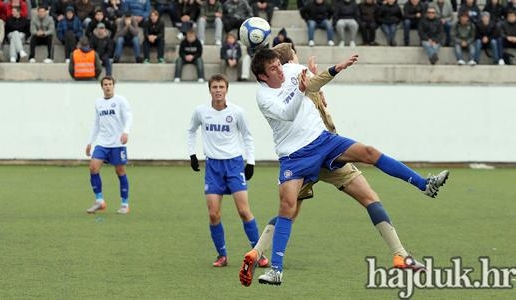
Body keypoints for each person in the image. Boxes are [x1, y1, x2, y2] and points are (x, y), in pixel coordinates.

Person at [248, 47, 449, 285]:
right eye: (273, 68)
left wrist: (336, 69)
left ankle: (422, 188)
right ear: (262, 76)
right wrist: (301, 91)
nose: (280, 70)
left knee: (369, 157)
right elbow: (288, 113)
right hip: (295, 156)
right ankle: (274, 269)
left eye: (279, 64)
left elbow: (315, 83)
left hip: (324, 142)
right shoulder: (264, 97)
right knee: (287, 207)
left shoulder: (293, 69)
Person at [187, 73, 266, 268]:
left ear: (227, 89)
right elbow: (191, 131)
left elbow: (247, 136)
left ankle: (259, 254)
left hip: (234, 165)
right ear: (209, 90)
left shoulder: (237, 112)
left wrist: (251, 162)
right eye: (214, 87)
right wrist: (192, 154)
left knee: (244, 211)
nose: (218, 91)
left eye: (221, 87)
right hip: (213, 167)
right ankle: (222, 255)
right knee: (214, 214)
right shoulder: (201, 112)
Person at [86, 76, 132, 214]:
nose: (108, 86)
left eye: (110, 84)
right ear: (102, 87)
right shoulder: (98, 103)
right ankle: (99, 201)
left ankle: (125, 204)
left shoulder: (120, 101)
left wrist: (126, 132)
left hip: (117, 143)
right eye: (105, 84)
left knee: (120, 171)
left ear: (113, 86)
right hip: (102, 143)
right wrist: (90, 142)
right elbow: (96, 123)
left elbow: (129, 117)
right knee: (93, 168)